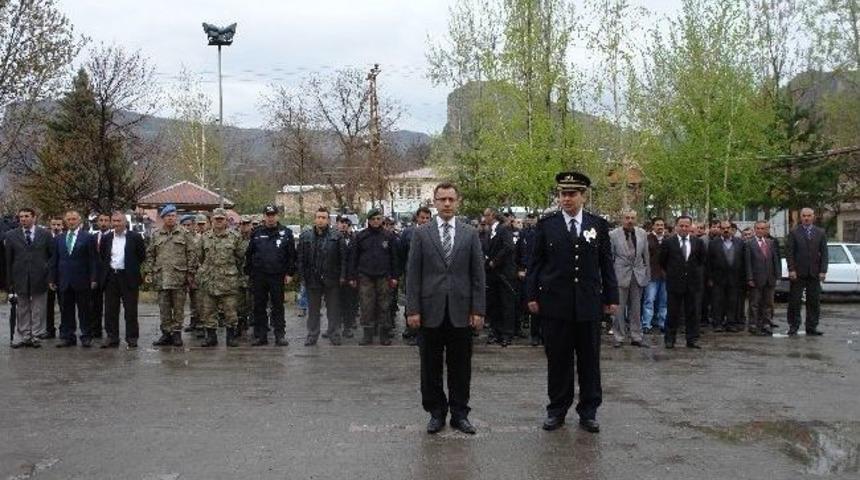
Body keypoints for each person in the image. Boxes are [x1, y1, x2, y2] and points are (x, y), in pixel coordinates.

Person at [526, 172, 619, 433]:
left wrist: (611, 296)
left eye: (572, 194)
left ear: (583, 195)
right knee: (558, 360)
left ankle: (588, 411)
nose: (566, 198)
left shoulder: (597, 225)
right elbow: (536, 264)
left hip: (588, 304)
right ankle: (557, 409)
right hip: (555, 304)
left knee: (589, 360)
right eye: (562, 193)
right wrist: (531, 295)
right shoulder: (547, 225)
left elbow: (606, 264)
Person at [406, 182, 486, 435]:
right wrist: (412, 310)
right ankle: (436, 413)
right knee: (430, 367)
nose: (447, 204)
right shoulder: (421, 234)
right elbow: (413, 274)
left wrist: (478, 310)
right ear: (435, 202)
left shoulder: (469, 233)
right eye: (442, 199)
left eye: (451, 199)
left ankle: (460, 414)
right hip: (430, 311)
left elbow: (477, 275)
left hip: (462, 312)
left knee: (460, 367)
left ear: (457, 201)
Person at [144, 204, 199, 347]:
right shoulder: (156, 234)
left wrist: (190, 273)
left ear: (176, 217)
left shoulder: (184, 233)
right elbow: (150, 254)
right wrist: (149, 272)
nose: (171, 218)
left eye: (173, 216)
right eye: (168, 216)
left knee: (179, 308)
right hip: (161, 277)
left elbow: (192, 253)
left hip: (179, 277)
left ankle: (176, 334)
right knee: (164, 308)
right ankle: (166, 334)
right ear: (163, 218)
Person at [246, 204, 295, 346]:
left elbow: (291, 255)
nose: (271, 218)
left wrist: (290, 273)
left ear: (277, 216)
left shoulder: (286, 233)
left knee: (278, 306)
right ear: (264, 216)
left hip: (277, 275)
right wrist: (250, 273)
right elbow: (249, 254)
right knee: (259, 306)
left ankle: (280, 334)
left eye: (273, 215)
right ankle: (262, 336)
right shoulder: (256, 233)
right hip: (260, 276)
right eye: (268, 215)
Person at [297, 207, 347, 346]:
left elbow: (343, 258)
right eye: (318, 217)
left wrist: (343, 276)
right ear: (314, 219)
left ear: (328, 220)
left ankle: (334, 333)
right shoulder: (305, 236)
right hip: (312, 278)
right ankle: (312, 335)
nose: (320, 220)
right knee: (313, 310)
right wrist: (302, 277)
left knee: (333, 309)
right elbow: (300, 259)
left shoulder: (337, 236)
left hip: (332, 277)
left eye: (323, 217)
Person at [4, 208, 54, 348]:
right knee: (22, 308)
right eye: (21, 217)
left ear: (34, 217)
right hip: (20, 277)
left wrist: (50, 276)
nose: (23, 219)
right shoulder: (11, 235)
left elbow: (52, 257)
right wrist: (9, 282)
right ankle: (23, 336)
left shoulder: (45, 234)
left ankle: (36, 336)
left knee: (39, 308)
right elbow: (8, 260)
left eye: (26, 216)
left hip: (40, 276)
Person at [348, 208, 399, 345]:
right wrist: (352, 277)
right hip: (365, 276)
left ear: (382, 220)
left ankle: (384, 335)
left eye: (378, 218)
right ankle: (367, 335)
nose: (376, 221)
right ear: (369, 220)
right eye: (373, 219)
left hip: (384, 276)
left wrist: (395, 276)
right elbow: (353, 257)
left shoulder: (389, 236)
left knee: (384, 305)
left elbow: (395, 258)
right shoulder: (360, 236)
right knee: (366, 305)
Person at [197, 208, 245, 347]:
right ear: (212, 220)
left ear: (226, 221)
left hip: (228, 281)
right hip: (210, 280)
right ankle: (211, 338)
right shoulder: (205, 237)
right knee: (208, 311)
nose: (218, 221)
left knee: (230, 311)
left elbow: (240, 257)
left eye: (221, 219)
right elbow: (200, 257)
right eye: (216, 219)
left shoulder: (235, 237)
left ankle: (231, 337)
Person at [98, 211, 146, 348]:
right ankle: (112, 337)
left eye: (119, 221)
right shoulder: (107, 238)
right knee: (110, 310)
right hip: (111, 277)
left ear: (125, 222)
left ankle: (132, 338)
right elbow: (103, 255)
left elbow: (141, 256)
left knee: (130, 310)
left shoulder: (135, 237)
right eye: (114, 221)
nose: (116, 224)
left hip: (128, 277)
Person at [52, 210, 98, 348]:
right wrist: (52, 279)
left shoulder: (88, 238)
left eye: (74, 219)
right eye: (69, 219)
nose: (71, 222)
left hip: (82, 280)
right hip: (64, 280)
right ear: (65, 221)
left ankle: (86, 336)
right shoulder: (59, 238)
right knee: (66, 310)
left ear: (79, 221)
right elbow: (54, 260)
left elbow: (93, 260)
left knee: (84, 310)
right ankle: (68, 336)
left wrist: (94, 278)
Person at [659, 215, 706, 349]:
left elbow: (701, 260)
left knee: (692, 312)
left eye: (687, 226)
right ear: (676, 227)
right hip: (674, 283)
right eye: (681, 226)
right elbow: (663, 261)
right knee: (673, 313)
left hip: (692, 283)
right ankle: (670, 339)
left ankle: (692, 339)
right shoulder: (669, 242)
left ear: (691, 227)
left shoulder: (698, 242)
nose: (684, 228)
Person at [609, 210, 650, 348]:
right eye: (627, 218)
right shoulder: (613, 235)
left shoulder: (642, 233)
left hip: (638, 274)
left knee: (636, 308)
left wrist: (647, 275)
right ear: (622, 219)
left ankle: (636, 336)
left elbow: (646, 256)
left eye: (632, 218)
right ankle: (619, 337)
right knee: (619, 308)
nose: (630, 220)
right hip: (620, 274)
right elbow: (610, 257)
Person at [786, 207, 828, 336]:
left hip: (814, 273)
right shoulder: (794, 232)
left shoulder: (820, 232)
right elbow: (790, 253)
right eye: (804, 215)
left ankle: (811, 327)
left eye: (809, 215)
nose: (806, 218)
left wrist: (823, 271)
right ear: (800, 217)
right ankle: (794, 326)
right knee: (794, 301)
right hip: (798, 273)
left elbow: (824, 253)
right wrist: (791, 269)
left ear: (813, 217)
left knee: (814, 302)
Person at [481, 207, 517, 347]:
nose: (484, 219)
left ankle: (507, 334)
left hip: (505, 274)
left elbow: (509, 247)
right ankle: (496, 331)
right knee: (494, 304)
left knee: (506, 304)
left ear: (493, 216)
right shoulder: (488, 232)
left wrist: (495, 261)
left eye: (486, 216)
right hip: (493, 274)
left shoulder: (503, 229)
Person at [399, 207, 432, 346]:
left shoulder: (434, 232)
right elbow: (401, 252)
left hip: (429, 274)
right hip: (411, 273)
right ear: (417, 218)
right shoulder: (408, 232)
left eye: (427, 218)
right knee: (411, 301)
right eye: (422, 217)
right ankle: (411, 329)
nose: (424, 220)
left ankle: (423, 332)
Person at [707, 220, 746, 333]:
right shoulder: (714, 243)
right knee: (718, 302)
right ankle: (718, 323)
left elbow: (743, 261)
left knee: (733, 301)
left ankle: (731, 323)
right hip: (718, 278)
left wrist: (744, 278)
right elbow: (709, 262)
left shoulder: (739, 242)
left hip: (735, 278)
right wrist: (710, 278)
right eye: (723, 228)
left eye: (728, 228)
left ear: (731, 229)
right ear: (720, 229)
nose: (725, 230)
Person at [745, 220, 780, 336]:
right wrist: (750, 278)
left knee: (768, 303)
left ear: (766, 230)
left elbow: (776, 260)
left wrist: (777, 275)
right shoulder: (749, 243)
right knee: (754, 304)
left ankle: (766, 323)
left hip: (770, 278)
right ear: (755, 230)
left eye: (763, 228)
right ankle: (753, 325)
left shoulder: (771, 243)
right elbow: (748, 262)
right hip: (756, 279)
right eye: (758, 228)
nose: (760, 231)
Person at [516, 213, 540, 346]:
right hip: (529, 271)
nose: (531, 220)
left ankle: (542, 334)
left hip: (543, 273)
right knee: (531, 302)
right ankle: (535, 334)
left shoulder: (542, 233)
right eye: (529, 218)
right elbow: (519, 253)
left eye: (533, 218)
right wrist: (520, 268)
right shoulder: (525, 234)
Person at [642, 217, 668, 334]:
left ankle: (662, 323)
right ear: (653, 226)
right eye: (657, 225)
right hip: (651, 275)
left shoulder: (668, 240)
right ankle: (646, 324)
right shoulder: (646, 239)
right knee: (649, 300)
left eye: (662, 225)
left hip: (665, 276)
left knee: (664, 301)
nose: (660, 227)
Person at [337, 216, 359, 338]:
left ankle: (348, 326)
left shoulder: (354, 238)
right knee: (334, 303)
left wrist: (353, 277)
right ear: (337, 224)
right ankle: (335, 326)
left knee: (350, 302)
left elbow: (356, 259)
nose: (344, 225)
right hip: (336, 276)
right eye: (342, 222)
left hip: (350, 276)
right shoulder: (333, 238)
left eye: (346, 223)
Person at [91, 212, 111, 339]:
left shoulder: (113, 237)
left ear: (110, 222)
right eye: (101, 220)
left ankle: (110, 331)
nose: (103, 223)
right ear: (97, 222)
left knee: (109, 306)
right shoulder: (92, 237)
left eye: (106, 220)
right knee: (94, 304)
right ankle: (95, 330)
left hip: (109, 275)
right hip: (95, 275)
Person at [236, 215, 254, 337]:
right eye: (243, 224)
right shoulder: (235, 239)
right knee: (239, 304)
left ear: (251, 225)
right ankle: (240, 324)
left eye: (247, 224)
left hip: (253, 277)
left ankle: (255, 325)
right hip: (238, 276)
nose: (245, 226)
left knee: (253, 302)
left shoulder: (256, 238)